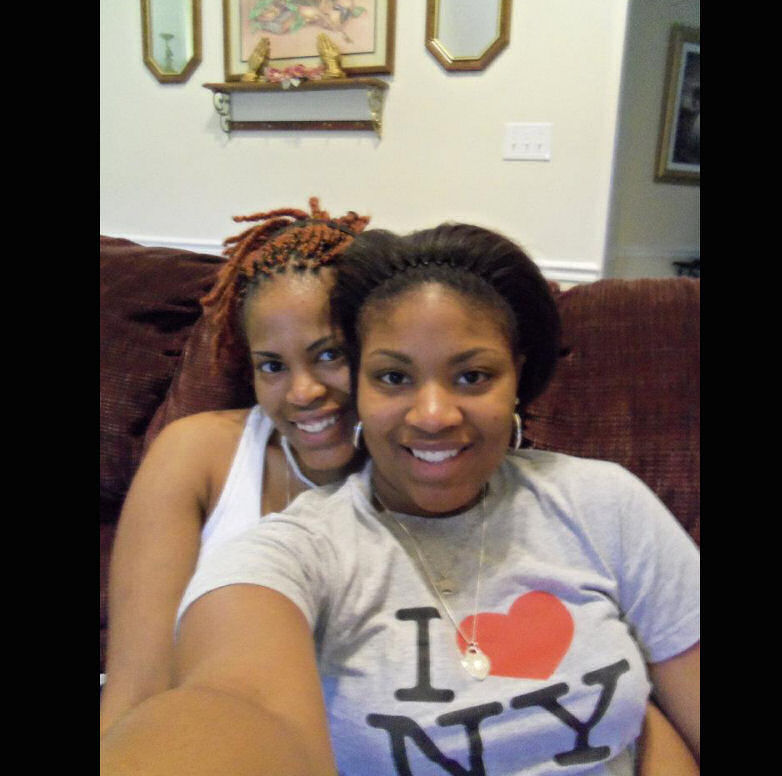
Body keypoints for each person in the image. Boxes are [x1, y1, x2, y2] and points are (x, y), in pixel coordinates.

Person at [101, 224, 700, 774]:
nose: (433, 415)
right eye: (394, 377)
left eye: (472, 376)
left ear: (518, 376)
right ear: (362, 385)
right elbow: (233, 699)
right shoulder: (292, 549)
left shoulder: (602, 501)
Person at [99, 198, 370, 735]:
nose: (302, 392)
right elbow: (137, 688)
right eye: (272, 366)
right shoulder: (196, 453)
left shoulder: (420, 468)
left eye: (329, 354)